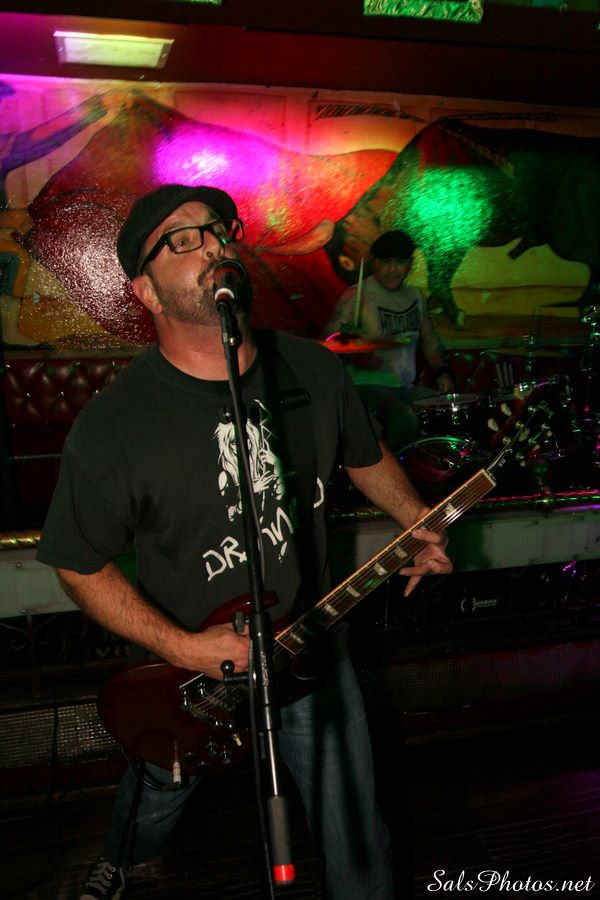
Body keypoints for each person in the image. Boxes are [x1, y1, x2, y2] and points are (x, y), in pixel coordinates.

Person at [36, 184, 452, 900]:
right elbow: (77, 564)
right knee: (156, 801)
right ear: (146, 291)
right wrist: (184, 648)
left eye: (219, 229)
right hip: (191, 677)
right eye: (183, 240)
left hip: (312, 651)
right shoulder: (115, 425)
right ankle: (116, 859)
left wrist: (417, 521)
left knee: (358, 833)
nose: (214, 244)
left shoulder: (313, 369)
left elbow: (363, 454)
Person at [324, 230, 455, 450]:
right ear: (375, 262)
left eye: (400, 262)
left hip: (405, 389)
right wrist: (352, 347)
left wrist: (443, 371)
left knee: (448, 407)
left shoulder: (415, 296)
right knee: (403, 416)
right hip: (367, 389)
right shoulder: (357, 296)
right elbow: (329, 344)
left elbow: (429, 339)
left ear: (411, 263)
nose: (393, 269)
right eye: (386, 262)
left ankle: (433, 467)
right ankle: (391, 468)